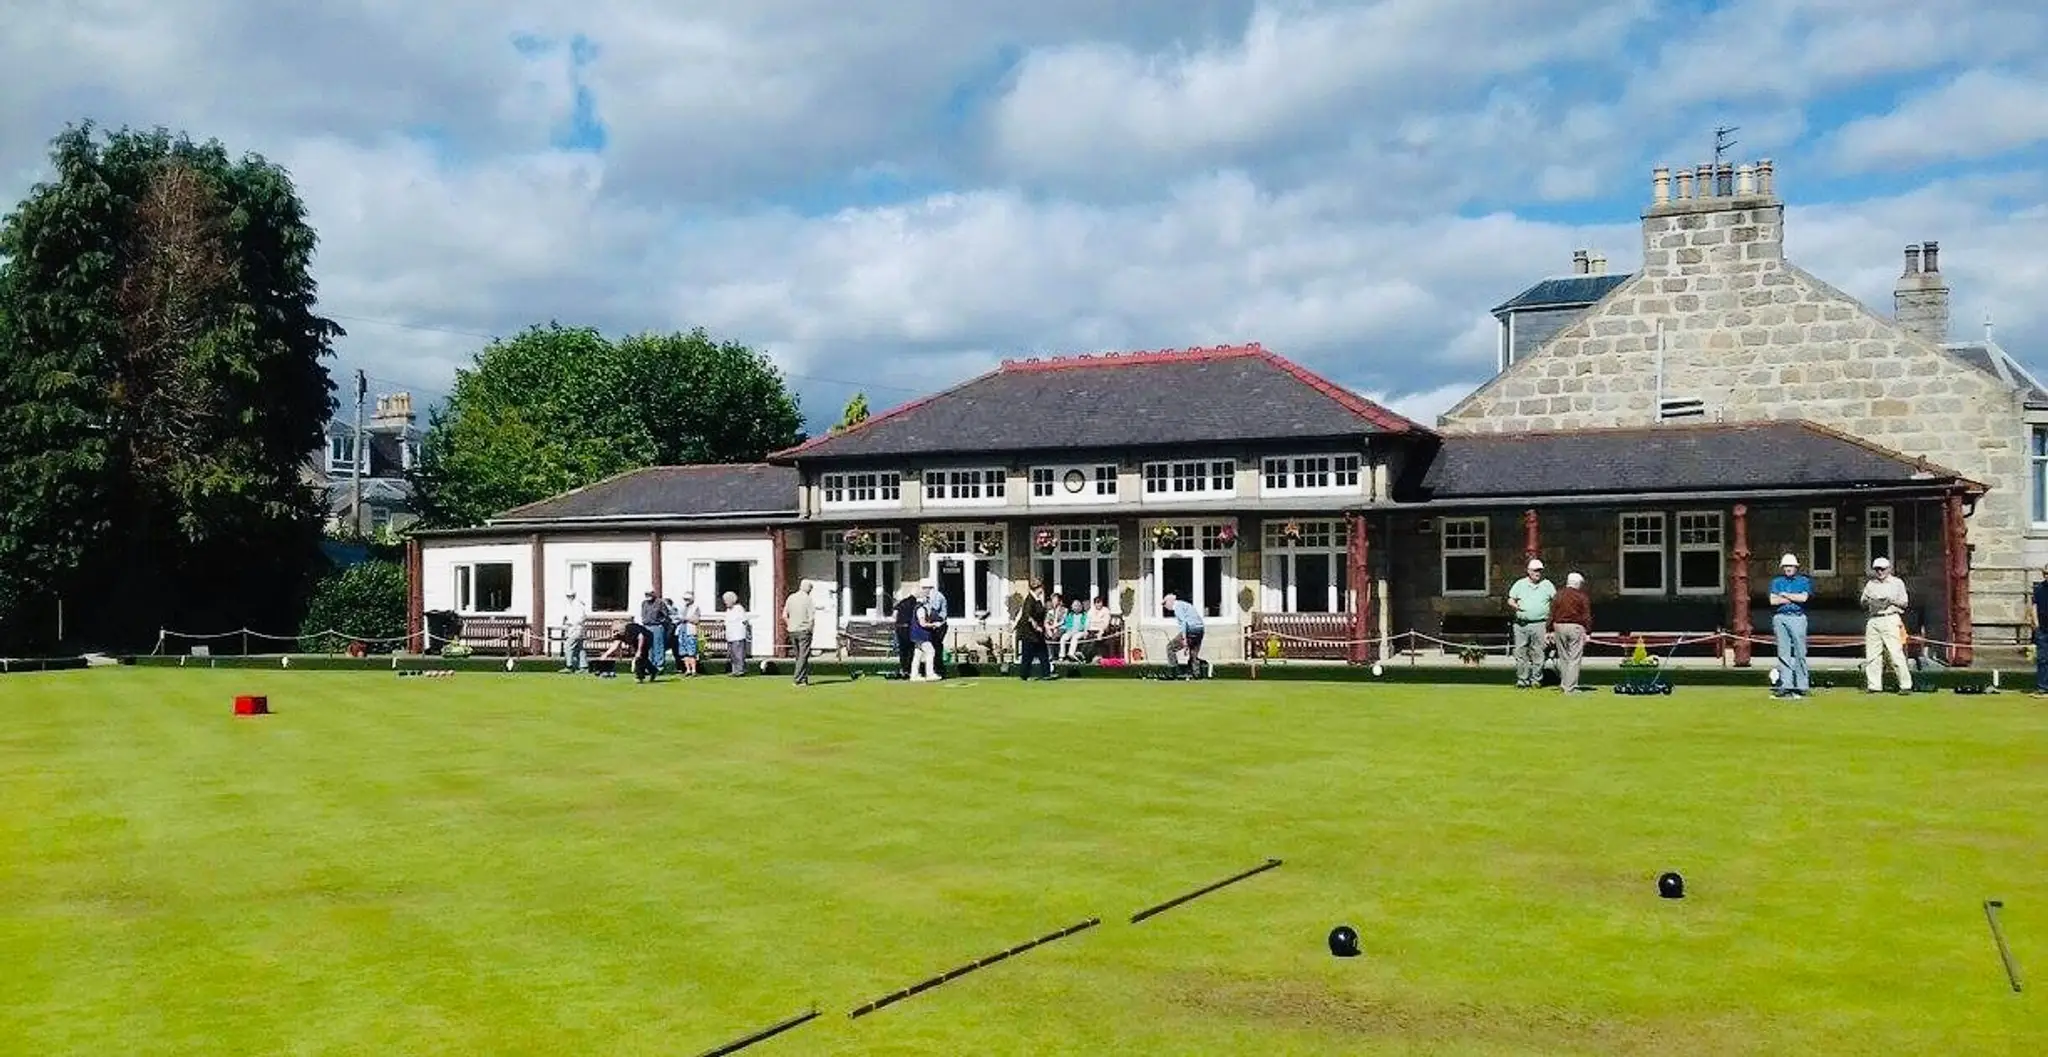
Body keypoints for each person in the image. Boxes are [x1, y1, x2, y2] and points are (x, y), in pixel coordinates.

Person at [1860, 556, 1911, 693]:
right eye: (1877, 569)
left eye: (1882, 569)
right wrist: (1870, 601)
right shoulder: (1871, 584)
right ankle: (1874, 685)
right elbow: (1863, 601)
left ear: (1889, 569)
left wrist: (1890, 601)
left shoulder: (1897, 583)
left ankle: (1905, 685)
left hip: (1890, 618)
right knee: (1872, 655)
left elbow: (1904, 603)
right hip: (1873, 619)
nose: (1880, 572)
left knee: (1895, 653)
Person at [1769, 553, 1813, 699]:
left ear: (1796, 567)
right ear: (1782, 567)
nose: (1788, 568)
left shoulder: (1803, 581)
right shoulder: (1776, 581)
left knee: (1800, 652)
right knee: (1783, 653)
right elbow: (1773, 601)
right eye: (1786, 566)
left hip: (1797, 618)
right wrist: (1793, 597)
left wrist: (1785, 595)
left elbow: (1804, 598)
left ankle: (1802, 685)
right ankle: (1786, 684)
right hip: (1780, 617)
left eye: (1791, 566)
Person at [1506, 559, 1555, 688]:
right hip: (1521, 624)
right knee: (1520, 652)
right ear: (1529, 571)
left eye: (1540, 570)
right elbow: (1510, 599)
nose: (1538, 573)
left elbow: (1555, 602)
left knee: (1539, 652)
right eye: (1535, 570)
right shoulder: (1520, 584)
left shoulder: (1547, 584)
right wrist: (1516, 606)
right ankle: (1522, 679)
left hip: (1540, 623)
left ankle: (1536, 679)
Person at [1548, 572, 1592, 693]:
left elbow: (1552, 612)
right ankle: (1571, 687)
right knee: (1574, 657)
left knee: (1564, 657)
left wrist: (1549, 630)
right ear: (1578, 583)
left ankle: (1564, 684)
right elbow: (1586, 615)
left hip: (1559, 626)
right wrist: (1588, 632)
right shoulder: (1581, 596)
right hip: (1575, 627)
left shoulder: (1558, 594)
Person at [1014, 579, 1052, 680]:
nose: (1042, 590)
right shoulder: (1029, 600)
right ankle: (1024, 675)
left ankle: (1046, 674)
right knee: (1027, 655)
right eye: (1041, 588)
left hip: (1037, 633)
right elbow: (1027, 615)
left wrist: (1045, 628)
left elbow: (1040, 615)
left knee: (1043, 653)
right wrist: (1036, 626)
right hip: (1028, 633)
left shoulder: (1037, 599)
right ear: (1038, 588)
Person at [1162, 592, 1206, 678]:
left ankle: (1173, 672)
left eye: (1165, 603)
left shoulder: (1177, 607)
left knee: (1170, 647)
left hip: (1191, 629)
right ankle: (1196, 674)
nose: (1165, 606)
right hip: (1200, 629)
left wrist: (1185, 639)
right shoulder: (1184, 604)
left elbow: (1184, 623)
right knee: (1193, 652)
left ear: (1170, 601)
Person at [783, 582, 816, 686]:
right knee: (803, 656)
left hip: (792, 631)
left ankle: (803, 679)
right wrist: (810, 630)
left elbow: (784, 615)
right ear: (809, 589)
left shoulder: (791, 597)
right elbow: (811, 618)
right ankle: (797, 679)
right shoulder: (808, 599)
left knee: (799, 656)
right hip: (804, 631)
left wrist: (790, 625)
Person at [909, 584, 940, 681]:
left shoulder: (917, 608)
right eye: (927, 599)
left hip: (916, 635)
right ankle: (930, 674)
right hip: (922, 636)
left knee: (917, 654)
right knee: (931, 651)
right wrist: (934, 625)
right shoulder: (921, 609)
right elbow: (922, 624)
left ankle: (914, 675)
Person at [922, 578, 950, 678]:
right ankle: (934, 669)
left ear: (928, 588)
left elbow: (934, 610)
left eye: (923, 588)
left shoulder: (936, 596)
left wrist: (923, 604)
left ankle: (939, 670)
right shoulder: (928, 597)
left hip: (939, 625)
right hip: (934, 625)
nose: (922, 591)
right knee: (933, 647)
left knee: (936, 647)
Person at [637, 591, 669, 675]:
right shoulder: (644, 603)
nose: (647, 596)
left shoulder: (660, 602)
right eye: (646, 594)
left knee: (658, 646)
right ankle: (650, 666)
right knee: (649, 647)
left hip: (657, 626)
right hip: (646, 626)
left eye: (649, 594)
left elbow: (666, 615)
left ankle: (659, 666)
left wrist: (660, 622)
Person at [893, 584, 921, 678]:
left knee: (902, 650)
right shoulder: (916, 604)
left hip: (899, 628)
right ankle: (908, 670)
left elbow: (894, 615)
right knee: (910, 650)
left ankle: (904, 669)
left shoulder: (902, 602)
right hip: (909, 628)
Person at [2029, 564, 2048, 697]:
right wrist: (2035, 622)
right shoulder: (2039, 588)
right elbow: (2034, 605)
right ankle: (2043, 687)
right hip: (2043, 629)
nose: (2046, 576)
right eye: (2045, 573)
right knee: (2042, 659)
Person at [560, 589, 589, 673]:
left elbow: (580, 618)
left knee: (568, 646)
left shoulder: (578, 605)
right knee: (580, 648)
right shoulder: (571, 605)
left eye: (570, 596)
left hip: (577, 629)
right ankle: (584, 667)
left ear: (574, 596)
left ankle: (569, 666)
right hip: (574, 629)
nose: (569, 597)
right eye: (568, 596)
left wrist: (569, 622)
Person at [674, 592, 702, 676]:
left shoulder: (695, 608)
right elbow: (677, 618)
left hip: (690, 631)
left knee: (691, 651)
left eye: (687, 599)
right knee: (683, 651)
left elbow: (696, 620)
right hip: (681, 631)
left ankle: (693, 670)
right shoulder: (681, 608)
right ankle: (687, 670)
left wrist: (686, 619)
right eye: (685, 599)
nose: (686, 601)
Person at [722, 591, 749, 676]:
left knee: (738, 654)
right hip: (730, 635)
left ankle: (740, 670)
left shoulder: (739, 608)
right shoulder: (728, 610)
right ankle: (735, 670)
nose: (725, 602)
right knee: (732, 654)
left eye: (726, 600)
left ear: (731, 600)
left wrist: (747, 633)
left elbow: (745, 621)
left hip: (738, 635)